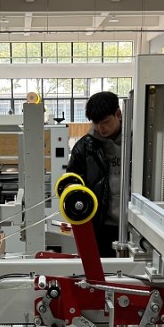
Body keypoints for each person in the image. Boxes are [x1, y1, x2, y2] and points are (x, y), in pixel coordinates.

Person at [65, 91, 123, 258]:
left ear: (118, 114)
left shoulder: (139, 141)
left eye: (105, 122)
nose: (100, 128)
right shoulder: (83, 148)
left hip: (135, 225)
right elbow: (71, 182)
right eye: (96, 123)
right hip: (100, 226)